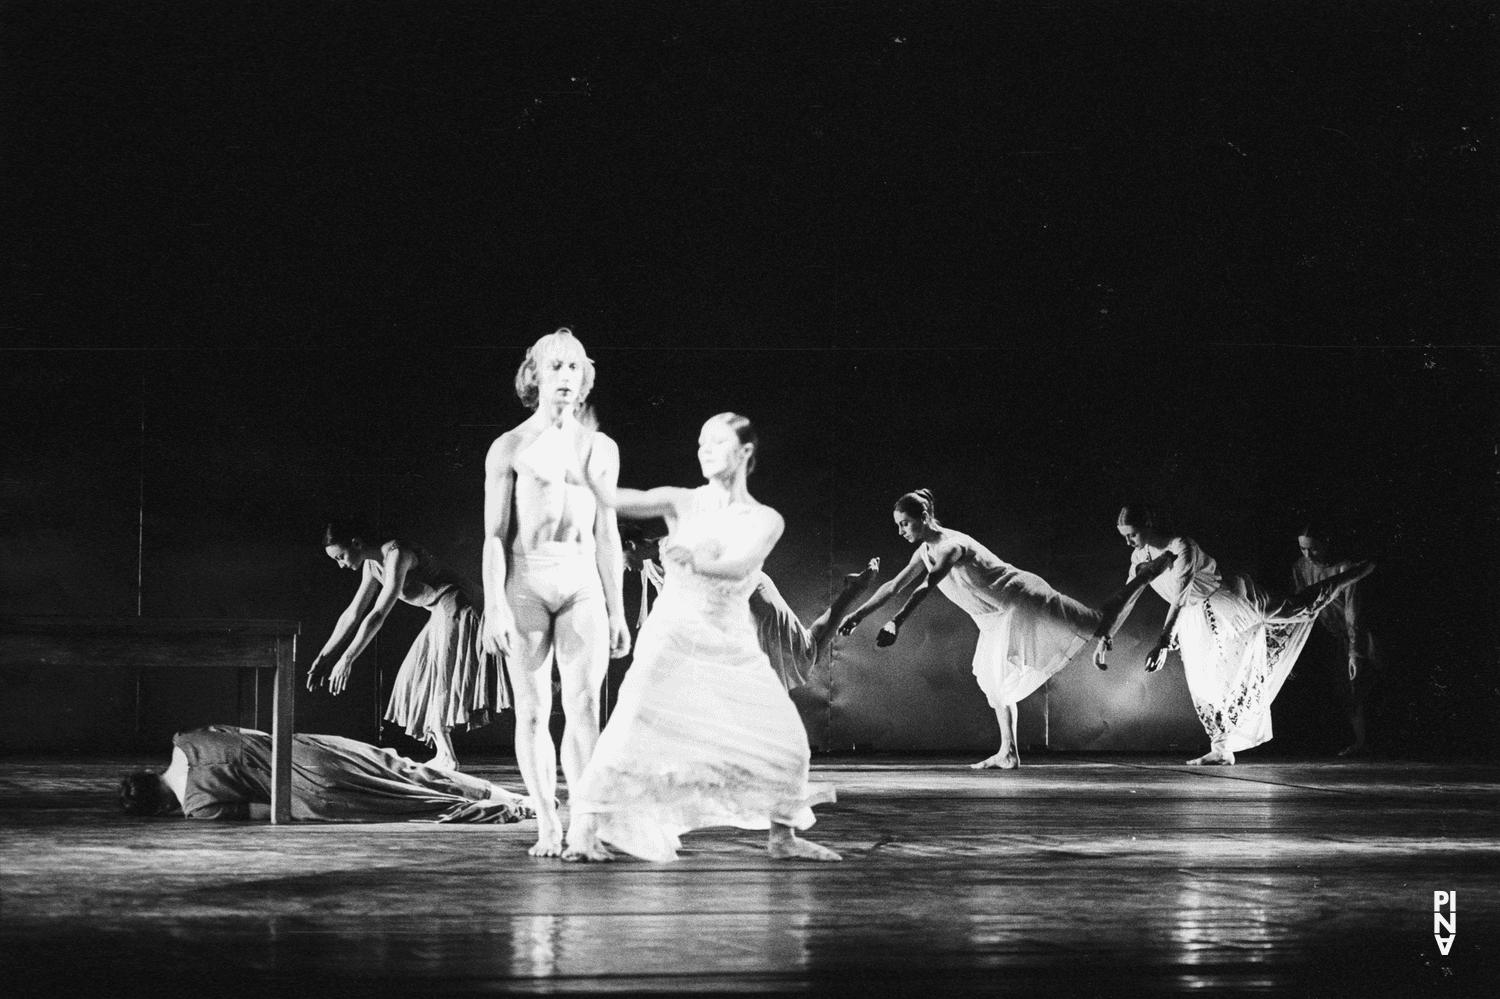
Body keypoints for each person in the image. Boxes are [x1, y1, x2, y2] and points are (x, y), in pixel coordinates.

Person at [567, 413, 840, 863]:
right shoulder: (680, 501)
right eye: (700, 443)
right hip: (672, 634)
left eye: (717, 442)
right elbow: (613, 498)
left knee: (787, 740)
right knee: (628, 729)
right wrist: (579, 449)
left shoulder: (766, 519)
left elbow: (739, 565)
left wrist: (696, 560)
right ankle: (584, 828)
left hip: (730, 640)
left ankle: (783, 838)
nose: (704, 450)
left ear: (745, 452)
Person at [837, 489, 1175, 770]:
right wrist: (858, 615)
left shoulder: (952, 545)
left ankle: (1145, 576)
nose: (901, 532)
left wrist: (897, 621)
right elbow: (895, 585)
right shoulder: (924, 550)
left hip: (1023, 599)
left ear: (924, 516)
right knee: (991, 680)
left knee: (1097, 620)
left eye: (905, 524)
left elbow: (926, 586)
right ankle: (1008, 752)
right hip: (997, 617)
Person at [481, 329, 631, 858]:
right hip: (527, 581)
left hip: (581, 582)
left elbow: (607, 533)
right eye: (555, 367)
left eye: (574, 368)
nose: (565, 377)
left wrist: (618, 610)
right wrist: (494, 605)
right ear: (534, 376)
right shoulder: (511, 446)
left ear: (585, 378)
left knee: (586, 706)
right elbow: (495, 536)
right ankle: (548, 824)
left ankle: (585, 829)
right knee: (532, 710)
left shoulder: (601, 447)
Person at [1098, 505, 1374, 765]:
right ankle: (1221, 750)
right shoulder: (1138, 557)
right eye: (1124, 536)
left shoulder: (1182, 545)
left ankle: (1351, 574)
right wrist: (1106, 635)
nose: (1128, 541)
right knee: (1207, 681)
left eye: (1132, 534)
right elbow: (1129, 595)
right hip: (1196, 616)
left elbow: (1181, 596)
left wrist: (1163, 641)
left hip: (1229, 600)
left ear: (1148, 525)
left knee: (1296, 608)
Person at [306, 520, 497, 772]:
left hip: (461, 604)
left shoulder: (397, 554)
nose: (342, 564)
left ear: (357, 543)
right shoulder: (372, 566)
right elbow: (353, 613)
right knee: (416, 676)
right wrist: (325, 656)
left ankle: (448, 757)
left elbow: (377, 614)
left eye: (341, 556)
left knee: (440, 675)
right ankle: (444, 753)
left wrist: (348, 658)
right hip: (440, 609)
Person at [118, 725, 534, 823]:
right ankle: (516, 796)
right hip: (313, 749)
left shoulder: (198, 807)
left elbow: (269, 808)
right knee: (412, 771)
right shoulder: (187, 738)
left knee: (410, 804)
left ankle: (511, 813)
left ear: (157, 809)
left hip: (312, 789)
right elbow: (256, 734)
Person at [639, 551, 882, 690]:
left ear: (631, 544)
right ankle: (852, 590)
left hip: (749, 594)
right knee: (806, 650)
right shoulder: (650, 563)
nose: (627, 568)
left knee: (800, 655)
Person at [1292, 522, 1383, 757]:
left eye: (1313, 549)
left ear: (1325, 544)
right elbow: (1304, 608)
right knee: (1345, 690)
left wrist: (1356, 651)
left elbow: (1354, 612)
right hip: (1334, 633)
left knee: (1361, 685)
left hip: (1359, 634)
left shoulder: (1345, 567)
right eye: (1303, 549)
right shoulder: (1301, 567)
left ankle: (1368, 744)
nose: (1308, 554)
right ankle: (1360, 742)